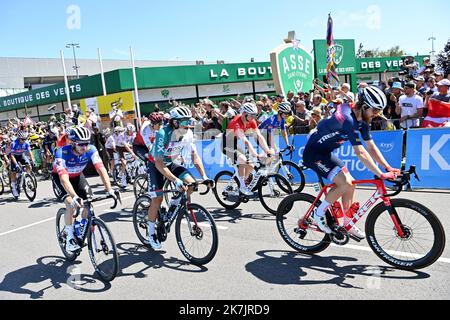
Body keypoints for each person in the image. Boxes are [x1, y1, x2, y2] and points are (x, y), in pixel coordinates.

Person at [302, 86, 400, 240]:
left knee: (351, 183)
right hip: (313, 153)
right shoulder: (347, 118)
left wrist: (387, 167)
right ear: (365, 106)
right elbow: (360, 152)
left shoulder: (362, 120)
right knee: (344, 183)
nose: (377, 115)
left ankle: (347, 223)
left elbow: (371, 147)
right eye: (375, 111)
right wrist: (380, 174)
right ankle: (318, 213)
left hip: (326, 152)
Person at [53, 127, 116, 252]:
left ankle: (82, 225)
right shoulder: (62, 153)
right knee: (71, 204)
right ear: (72, 143)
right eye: (81, 144)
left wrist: (110, 189)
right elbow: (64, 179)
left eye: (86, 143)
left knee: (88, 203)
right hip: (61, 179)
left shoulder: (91, 150)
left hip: (77, 176)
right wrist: (74, 197)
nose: (84, 146)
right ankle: (70, 238)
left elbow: (101, 169)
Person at [146, 106, 199, 250]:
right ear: (174, 122)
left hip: (171, 163)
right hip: (156, 165)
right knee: (157, 199)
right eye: (184, 121)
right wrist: (175, 180)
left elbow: (194, 155)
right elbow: (159, 163)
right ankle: (150, 233)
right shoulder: (163, 133)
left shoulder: (187, 133)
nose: (187, 125)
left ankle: (175, 203)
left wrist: (205, 176)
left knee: (192, 185)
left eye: (189, 121)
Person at [222, 102, 274, 197]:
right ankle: (242, 187)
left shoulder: (251, 121)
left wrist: (267, 150)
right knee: (242, 160)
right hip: (227, 144)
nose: (253, 118)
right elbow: (245, 141)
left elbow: (259, 136)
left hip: (236, 144)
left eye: (255, 115)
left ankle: (242, 182)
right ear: (244, 114)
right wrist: (256, 155)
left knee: (251, 165)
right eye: (251, 115)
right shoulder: (236, 123)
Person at [8, 131, 36, 199]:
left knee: (28, 165)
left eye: (25, 139)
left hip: (21, 155)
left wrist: (33, 160)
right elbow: (12, 156)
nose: (24, 140)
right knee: (14, 172)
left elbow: (29, 152)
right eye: (22, 139)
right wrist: (16, 165)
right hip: (14, 157)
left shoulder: (26, 143)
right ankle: (13, 186)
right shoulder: (14, 143)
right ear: (19, 138)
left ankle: (28, 178)